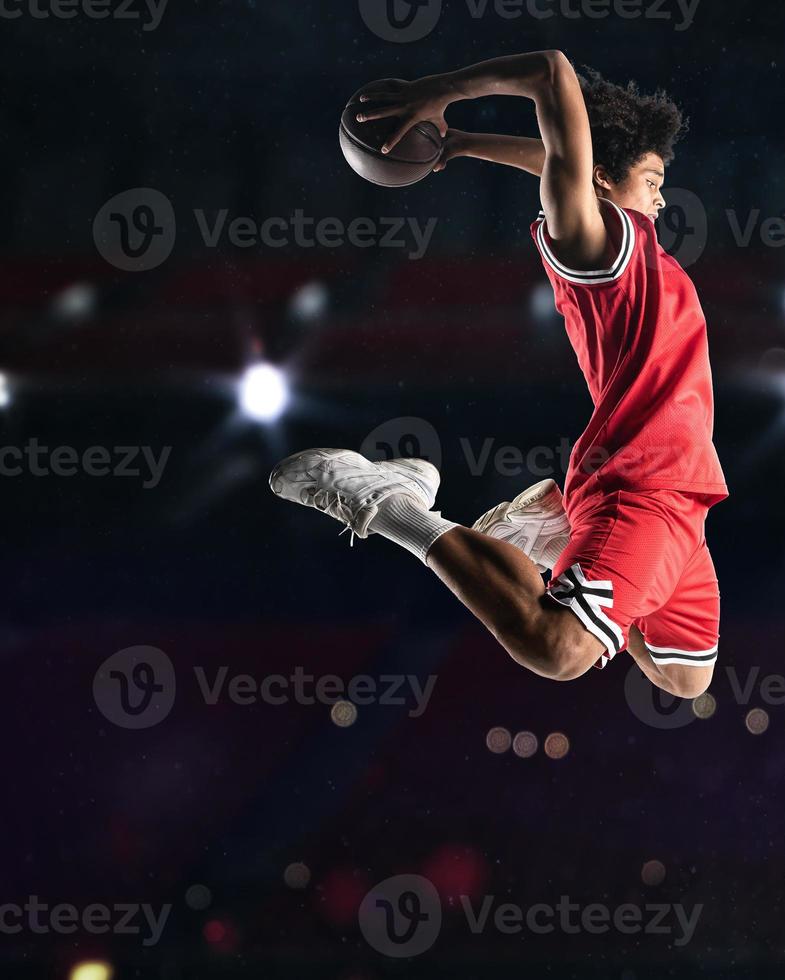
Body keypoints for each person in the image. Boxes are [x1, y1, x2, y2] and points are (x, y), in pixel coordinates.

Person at [269, 51, 727, 699]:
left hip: (682, 491)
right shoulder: (599, 244)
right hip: (641, 483)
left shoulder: (630, 241)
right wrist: (439, 93)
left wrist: (462, 143)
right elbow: (550, 71)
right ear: (600, 183)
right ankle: (389, 504)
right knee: (559, 649)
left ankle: (561, 533)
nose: (660, 193)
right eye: (651, 178)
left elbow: (566, 163)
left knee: (683, 675)